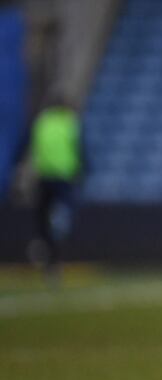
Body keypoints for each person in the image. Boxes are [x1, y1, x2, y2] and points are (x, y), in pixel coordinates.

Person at [27, 99, 82, 285]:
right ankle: (55, 249)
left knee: (42, 217)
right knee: (62, 216)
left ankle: (42, 242)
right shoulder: (69, 123)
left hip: (44, 176)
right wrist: (83, 169)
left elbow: (32, 146)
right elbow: (79, 148)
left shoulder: (42, 123)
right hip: (64, 177)